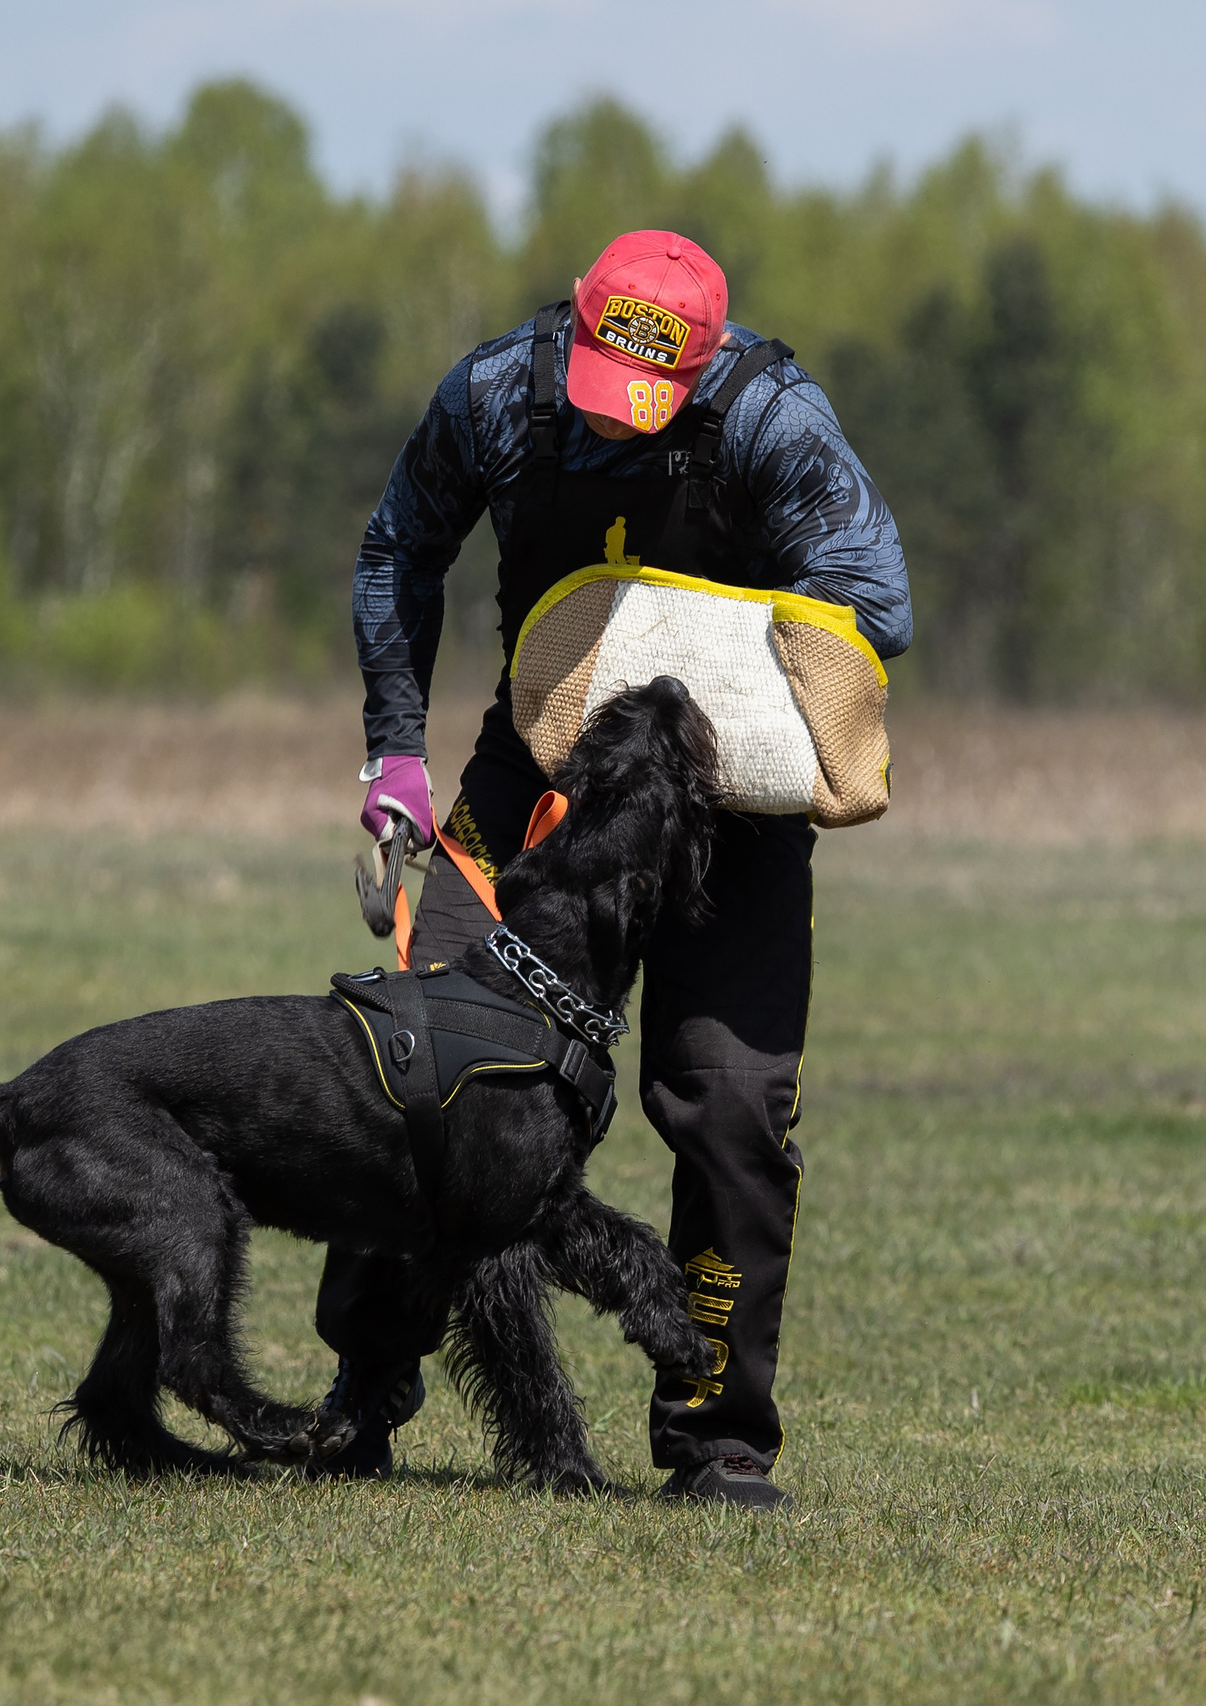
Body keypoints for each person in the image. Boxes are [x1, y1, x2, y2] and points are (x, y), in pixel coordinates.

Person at [320, 229, 911, 1509]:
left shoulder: (774, 419)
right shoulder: (494, 395)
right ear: (576, 329)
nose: (614, 432)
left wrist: (706, 684)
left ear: (700, 373)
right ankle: (367, 1382)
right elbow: (396, 549)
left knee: (733, 1106)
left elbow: (876, 596)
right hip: (532, 768)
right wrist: (394, 757)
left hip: (723, 809)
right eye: (598, 394)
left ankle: (717, 1438)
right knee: (419, 1075)